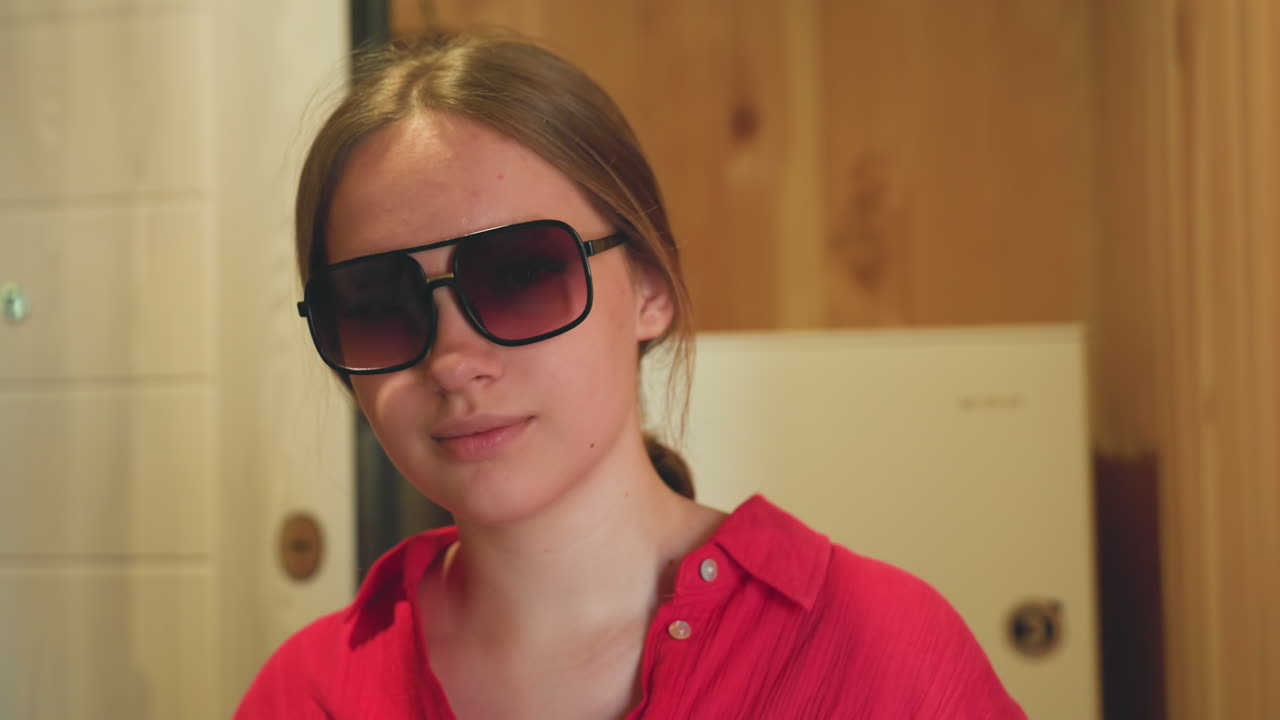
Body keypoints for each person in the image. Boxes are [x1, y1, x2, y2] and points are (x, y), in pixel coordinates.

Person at [235, 30, 1026, 719]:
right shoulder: (310, 694)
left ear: (649, 289)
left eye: (517, 275)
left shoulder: (881, 654)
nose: (451, 361)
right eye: (380, 302)